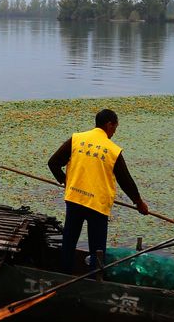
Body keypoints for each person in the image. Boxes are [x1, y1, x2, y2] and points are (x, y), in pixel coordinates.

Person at [48, 108, 149, 273]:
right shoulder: (112, 150)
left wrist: (66, 182)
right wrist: (139, 203)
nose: (114, 133)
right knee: (97, 248)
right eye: (115, 128)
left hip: (75, 200)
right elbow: (126, 181)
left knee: (69, 241)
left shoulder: (76, 139)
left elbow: (53, 163)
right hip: (97, 205)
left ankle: (64, 274)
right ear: (109, 125)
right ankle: (96, 280)